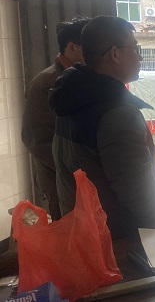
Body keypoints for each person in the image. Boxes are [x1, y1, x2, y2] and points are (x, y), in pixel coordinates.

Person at [50, 15, 155, 240]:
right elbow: (138, 194)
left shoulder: (71, 99)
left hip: (86, 235)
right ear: (115, 54)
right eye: (135, 49)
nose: (140, 57)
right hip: (121, 241)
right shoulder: (118, 115)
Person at [21, 16, 89, 221]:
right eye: (90, 45)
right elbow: (36, 139)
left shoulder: (83, 78)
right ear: (72, 47)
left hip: (82, 180)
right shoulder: (46, 83)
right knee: (70, 235)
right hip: (62, 183)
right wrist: (76, 170)